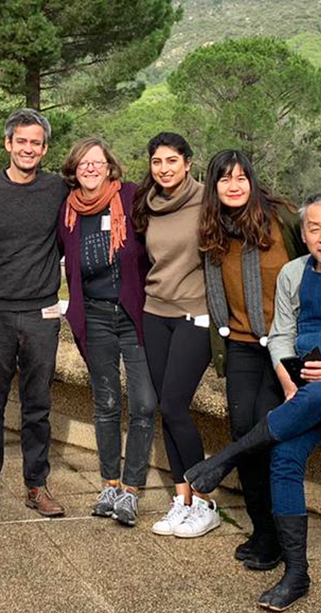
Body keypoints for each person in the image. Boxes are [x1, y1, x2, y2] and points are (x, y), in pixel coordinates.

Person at [184, 194, 321, 611]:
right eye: (314, 228)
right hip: (308, 393)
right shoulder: (292, 273)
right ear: (302, 234)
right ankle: (297, 573)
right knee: (285, 455)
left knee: (320, 392)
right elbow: (282, 336)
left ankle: (227, 457)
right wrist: (288, 385)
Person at [0, 108, 70, 520]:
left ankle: (36, 485)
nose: (28, 149)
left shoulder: (59, 188)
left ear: (44, 148)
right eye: (21, 141)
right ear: (8, 144)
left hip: (42, 312)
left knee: (37, 405)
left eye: (36, 143)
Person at [199, 150, 305, 571]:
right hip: (241, 344)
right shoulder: (213, 230)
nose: (234, 185)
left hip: (285, 346)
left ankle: (281, 535)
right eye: (225, 179)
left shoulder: (282, 220)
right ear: (215, 186)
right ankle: (264, 532)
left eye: (242, 177)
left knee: (269, 434)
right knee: (244, 433)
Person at [58, 136, 155, 527]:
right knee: (107, 403)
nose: (91, 169)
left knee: (145, 403)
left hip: (134, 316)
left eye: (97, 162)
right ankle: (111, 485)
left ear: (110, 166)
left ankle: (132, 490)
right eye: (83, 164)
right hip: (94, 316)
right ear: (74, 170)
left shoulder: (132, 198)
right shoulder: (66, 210)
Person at [132, 132, 219, 538]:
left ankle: (203, 500)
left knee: (175, 403)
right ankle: (181, 500)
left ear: (187, 162)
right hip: (155, 313)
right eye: (156, 162)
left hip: (194, 315)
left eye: (171, 160)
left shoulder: (208, 202)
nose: (163, 168)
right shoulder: (147, 205)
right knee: (167, 410)